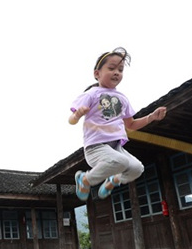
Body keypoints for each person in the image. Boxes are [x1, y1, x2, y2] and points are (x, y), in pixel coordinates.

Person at [69, 47, 167, 201]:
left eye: (120, 70)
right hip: (96, 147)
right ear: (97, 74)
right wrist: (77, 115)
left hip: (115, 147)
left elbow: (131, 125)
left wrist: (151, 117)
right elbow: (71, 120)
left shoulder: (123, 98)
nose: (116, 72)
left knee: (137, 169)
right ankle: (85, 179)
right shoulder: (91, 94)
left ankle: (113, 180)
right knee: (120, 162)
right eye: (111, 68)